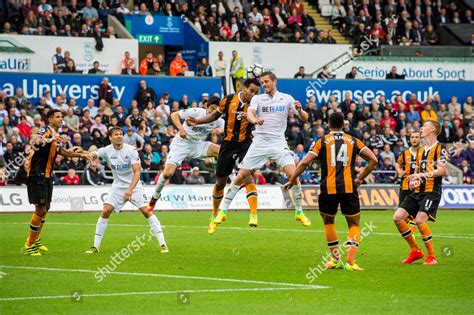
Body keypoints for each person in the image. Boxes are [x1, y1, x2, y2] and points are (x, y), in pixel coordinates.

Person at [214, 72, 311, 227]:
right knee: (241, 176)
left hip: (278, 143)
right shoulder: (257, 99)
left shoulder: (287, 98)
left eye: (266, 82)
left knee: (293, 175)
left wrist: (299, 110)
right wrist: (255, 120)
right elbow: (250, 114)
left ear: (274, 82)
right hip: (259, 143)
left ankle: (299, 212)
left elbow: (305, 118)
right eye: (262, 82)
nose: (264, 84)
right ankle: (222, 212)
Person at [284, 112, 378, 271]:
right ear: (344, 125)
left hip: (328, 188)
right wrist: (360, 178)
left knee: (328, 222)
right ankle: (350, 262)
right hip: (349, 187)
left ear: (328, 124)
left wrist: (292, 179)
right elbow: (373, 160)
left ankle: (335, 260)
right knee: (354, 224)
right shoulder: (354, 141)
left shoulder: (321, 141)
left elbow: (305, 162)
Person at [186, 79, 261, 233]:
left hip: (245, 144)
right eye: (251, 91)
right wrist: (198, 121)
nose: (253, 95)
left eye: (256, 92)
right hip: (227, 145)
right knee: (220, 183)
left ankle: (253, 214)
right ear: (244, 88)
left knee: (247, 175)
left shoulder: (257, 104)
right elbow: (214, 116)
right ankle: (214, 215)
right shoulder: (228, 100)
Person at [85, 127, 168, 254]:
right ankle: (95, 246)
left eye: (120, 134)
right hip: (117, 186)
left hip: (134, 186)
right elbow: (94, 153)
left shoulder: (131, 150)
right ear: (110, 137)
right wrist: (87, 155)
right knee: (106, 210)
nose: (119, 136)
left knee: (146, 211)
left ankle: (163, 244)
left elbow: (137, 172)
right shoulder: (106, 150)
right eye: (116, 134)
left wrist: (130, 190)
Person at [23, 109, 93, 256]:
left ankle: (35, 240)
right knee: (40, 209)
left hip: (47, 175)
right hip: (37, 175)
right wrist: (45, 140)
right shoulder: (45, 131)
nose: (61, 119)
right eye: (58, 117)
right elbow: (34, 139)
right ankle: (29, 244)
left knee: (46, 207)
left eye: (62, 117)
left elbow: (64, 152)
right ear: (50, 119)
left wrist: (82, 154)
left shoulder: (56, 136)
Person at [147, 103, 225, 211]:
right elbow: (174, 115)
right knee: (167, 173)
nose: (213, 112)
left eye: (215, 110)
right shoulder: (196, 112)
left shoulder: (218, 119)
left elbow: (227, 127)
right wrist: (181, 129)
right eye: (211, 108)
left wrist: (220, 130)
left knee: (223, 152)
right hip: (181, 144)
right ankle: (155, 197)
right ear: (207, 107)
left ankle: (235, 177)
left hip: (197, 145)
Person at [393, 120, 448, 265]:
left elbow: (441, 170)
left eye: (425, 126)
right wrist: (413, 180)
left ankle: (432, 257)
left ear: (432, 130)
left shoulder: (440, 148)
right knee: (398, 217)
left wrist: (422, 176)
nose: (422, 129)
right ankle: (415, 250)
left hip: (432, 191)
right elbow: (417, 171)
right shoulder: (421, 150)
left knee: (419, 220)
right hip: (417, 191)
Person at [395, 130, 421, 234]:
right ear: (409, 140)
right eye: (412, 137)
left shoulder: (424, 153)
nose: (414, 139)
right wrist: (399, 171)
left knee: (416, 211)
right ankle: (408, 230)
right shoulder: (404, 153)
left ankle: (412, 232)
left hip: (418, 187)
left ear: (420, 139)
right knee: (402, 212)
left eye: (416, 137)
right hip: (405, 186)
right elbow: (397, 164)